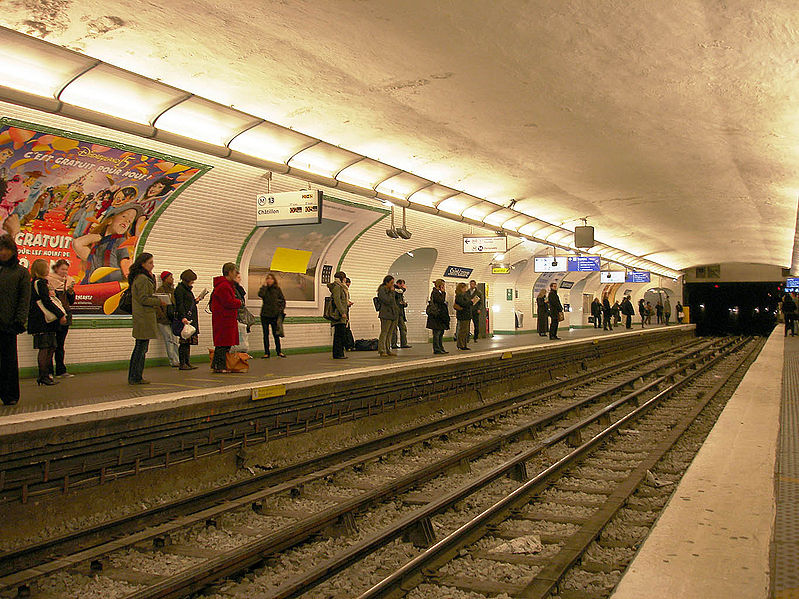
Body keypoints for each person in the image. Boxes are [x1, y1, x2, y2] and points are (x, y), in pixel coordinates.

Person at [0, 234, 31, 404]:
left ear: (13, 251)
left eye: (6, 249)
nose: (3, 253)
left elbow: (24, 299)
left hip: (9, 323)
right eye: (1, 249)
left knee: (9, 361)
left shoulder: (21, 273)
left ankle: (10, 395)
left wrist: (19, 321)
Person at [127, 253, 165, 384]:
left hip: (143, 316)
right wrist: (159, 301)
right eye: (150, 262)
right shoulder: (143, 279)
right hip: (144, 317)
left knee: (140, 347)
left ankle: (135, 375)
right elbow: (143, 298)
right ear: (143, 264)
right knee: (141, 349)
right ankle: (135, 376)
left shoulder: (142, 277)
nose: (152, 265)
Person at [28, 259, 66, 386]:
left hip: (42, 320)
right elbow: (46, 301)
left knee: (51, 346)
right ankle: (43, 375)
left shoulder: (37, 283)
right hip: (42, 320)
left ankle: (45, 375)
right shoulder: (40, 283)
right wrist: (60, 314)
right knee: (45, 348)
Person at [210, 262, 242, 373]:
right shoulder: (224, 286)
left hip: (224, 318)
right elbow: (228, 302)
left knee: (223, 343)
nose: (236, 274)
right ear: (229, 272)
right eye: (234, 271)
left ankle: (216, 365)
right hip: (224, 319)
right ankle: (220, 366)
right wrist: (238, 302)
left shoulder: (226, 285)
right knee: (223, 344)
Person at [47, 260, 76, 378]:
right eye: (62, 269)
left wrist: (70, 292)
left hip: (66, 313)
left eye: (66, 270)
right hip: (54, 316)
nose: (64, 272)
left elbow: (71, 301)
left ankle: (60, 370)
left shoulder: (68, 282)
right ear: (56, 269)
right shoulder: (49, 281)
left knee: (60, 344)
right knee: (50, 345)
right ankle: (48, 371)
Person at [174, 269, 204, 370]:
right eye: (192, 280)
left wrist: (196, 300)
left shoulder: (186, 289)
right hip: (186, 319)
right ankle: (183, 363)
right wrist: (183, 317)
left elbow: (187, 303)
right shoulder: (180, 290)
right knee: (184, 342)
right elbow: (180, 304)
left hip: (190, 318)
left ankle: (187, 362)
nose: (193, 282)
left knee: (188, 341)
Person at [258, 272, 286, 358]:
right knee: (265, 334)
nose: (269, 280)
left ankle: (279, 351)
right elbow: (260, 294)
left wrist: (280, 310)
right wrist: (264, 287)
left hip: (274, 315)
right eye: (267, 278)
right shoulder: (264, 289)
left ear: (274, 280)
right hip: (265, 315)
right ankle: (267, 352)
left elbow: (283, 300)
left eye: (271, 278)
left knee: (276, 334)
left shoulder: (277, 289)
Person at [155, 271, 179, 367]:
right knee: (169, 339)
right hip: (163, 320)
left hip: (172, 319)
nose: (172, 279)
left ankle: (177, 359)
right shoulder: (160, 291)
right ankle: (173, 360)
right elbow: (157, 306)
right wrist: (162, 316)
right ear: (165, 279)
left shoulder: (173, 291)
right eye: (170, 277)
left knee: (174, 340)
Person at [327, 270, 349, 359]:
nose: (345, 280)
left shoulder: (340, 287)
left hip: (341, 313)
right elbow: (337, 300)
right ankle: (338, 354)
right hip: (339, 314)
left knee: (339, 334)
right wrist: (342, 312)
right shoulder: (338, 287)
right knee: (339, 335)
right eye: (344, 278)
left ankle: (339, 353)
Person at [376, 275, 399, 357]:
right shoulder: (382, 290)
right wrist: (392, 292)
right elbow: (387, 301)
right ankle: (382, 350)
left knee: (390, 333)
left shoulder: (390, 290)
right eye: (391, 283)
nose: (393, 285)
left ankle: (388, 349)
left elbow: (395, 301)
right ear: (386, 282)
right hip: (385, 314)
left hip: (393, 313)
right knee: (384, 332)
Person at [426, 279, 450, 354]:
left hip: (440, 316)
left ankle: (440, 347)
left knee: (440, 333)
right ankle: (437, 348)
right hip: (436, 316)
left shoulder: (438, 292)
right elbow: (440, 300)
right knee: (437, 333)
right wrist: (443, 292)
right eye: (442, 285)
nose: (443, 286)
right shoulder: (435, 292)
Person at [391, 279, 412, 349]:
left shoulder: (400, 293)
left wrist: (404, 304)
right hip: (395, 313)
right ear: (398, 284)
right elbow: (399, 292)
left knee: (403, 328)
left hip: (400, 313)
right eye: (402, 285)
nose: (403, 287)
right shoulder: (394, 290)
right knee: (394, 329)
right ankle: (393, 344)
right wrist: (403, 289)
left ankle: (404, 343)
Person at [454, 282, 473, 350]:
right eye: (464, 288)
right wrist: (470, 302)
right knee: (462, 330)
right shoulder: (459, 295)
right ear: (460, 288)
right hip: (463, 315)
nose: (465, 289)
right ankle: (460, 345)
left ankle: (464, 344)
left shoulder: (465, 295)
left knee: (466, 331)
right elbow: (462, 303)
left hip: (466, 315)